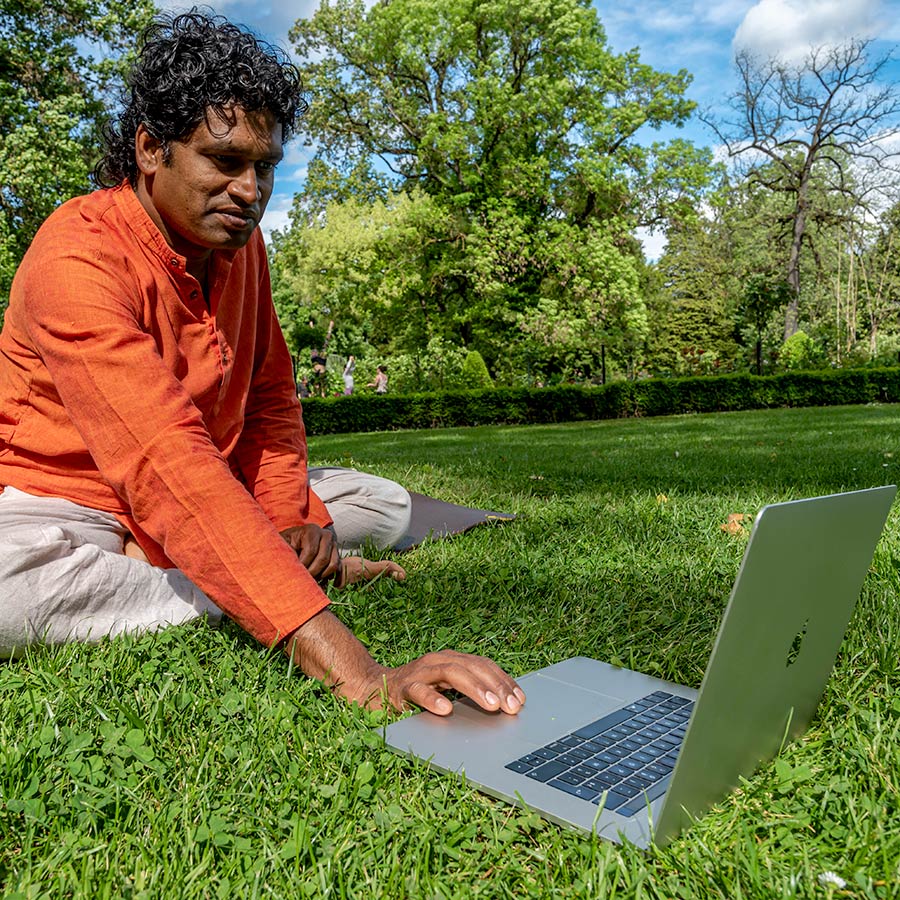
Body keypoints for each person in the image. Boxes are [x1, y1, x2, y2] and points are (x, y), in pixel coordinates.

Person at [0, 12, 524, 719]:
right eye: (225, 161)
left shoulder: (243, 250)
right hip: (67, 504)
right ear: (152, 150)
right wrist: (363, 675)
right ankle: (227, 581)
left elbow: (273, 397)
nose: (251, 190)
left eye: (266, 166)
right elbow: (165, 461)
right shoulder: (77, 254)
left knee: (365, 497)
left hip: (209, 483)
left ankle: (247, 561)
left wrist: (287, 521)